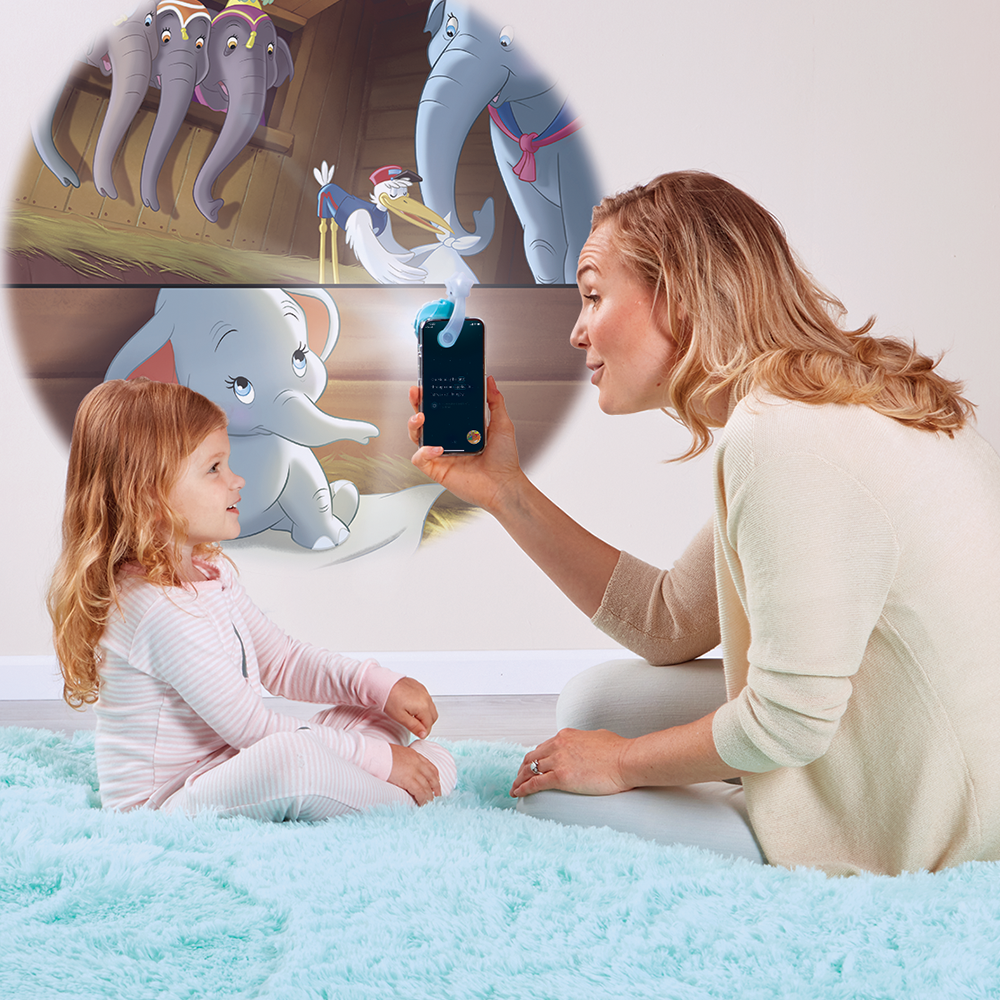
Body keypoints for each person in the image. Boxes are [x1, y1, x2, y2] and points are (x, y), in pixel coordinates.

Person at [409, 170, 1000, 876]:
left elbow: (789, 722)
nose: (577, 330)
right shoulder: (813, 403)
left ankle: (801, 833)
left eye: (594, 295)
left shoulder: (785, 441)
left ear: (681, 297)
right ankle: (731, 788)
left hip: (935, 818)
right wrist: (506, 491)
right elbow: (668, 621)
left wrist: (624, 764)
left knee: (561, 802)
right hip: (902, 735)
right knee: (596, 702)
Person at [48, 378, 456, 820]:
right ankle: (407, 796)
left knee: (371, 713)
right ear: (148, 494)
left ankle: (389, 774)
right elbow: (254, 730)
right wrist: (384, 761)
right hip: (166, 805)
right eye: (214, 469)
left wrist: (377, 686)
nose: (236, 480)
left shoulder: (211, 572)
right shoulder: (153, 609)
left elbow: (282, 661)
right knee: (293, 760)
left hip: (229, 766)